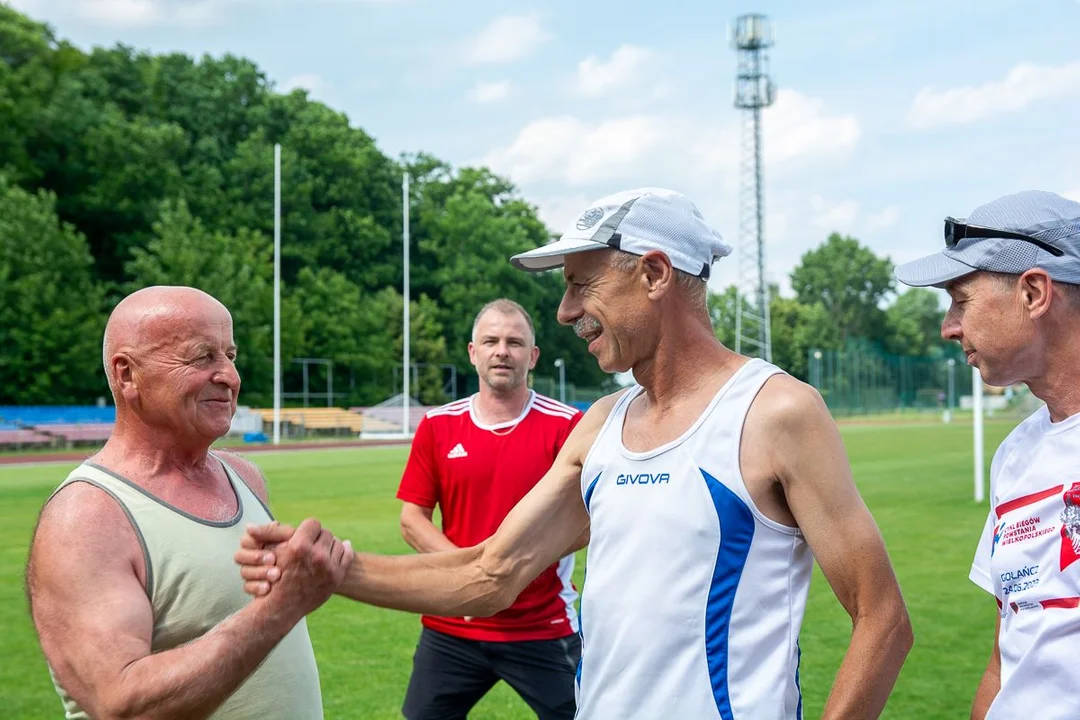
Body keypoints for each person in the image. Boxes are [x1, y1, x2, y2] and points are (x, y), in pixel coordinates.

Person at [238, 188, 913, 719]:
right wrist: (331, 569)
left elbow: (882, 618)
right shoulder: (599, 425)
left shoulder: (776, 411)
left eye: (581, 284)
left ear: (654, 273)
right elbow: (487, 575)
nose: (564, 311)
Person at [26, 285, 351, 720]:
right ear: (127, 375)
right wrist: (284, 605)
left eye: (230, 356)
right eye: (202, 357)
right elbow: (122, 706)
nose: (230, 377)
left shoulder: (245, 478)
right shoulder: (86, 516)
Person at [895, 190, 1080, 720]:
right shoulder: (1016, 455)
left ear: (1035, 292)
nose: (949, 327)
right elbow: (1004, 661)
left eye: (962, 300)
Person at [396, 298, 586, 720]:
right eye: (491, 341)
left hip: (541, 625)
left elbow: (584, 522)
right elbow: (412, 519)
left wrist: (507, 573)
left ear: (532, 356)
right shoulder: (437, 425)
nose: (502, 350)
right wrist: (471, 577)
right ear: (473, 352)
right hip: (452, 625)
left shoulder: (568, 426)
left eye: (515, 342)